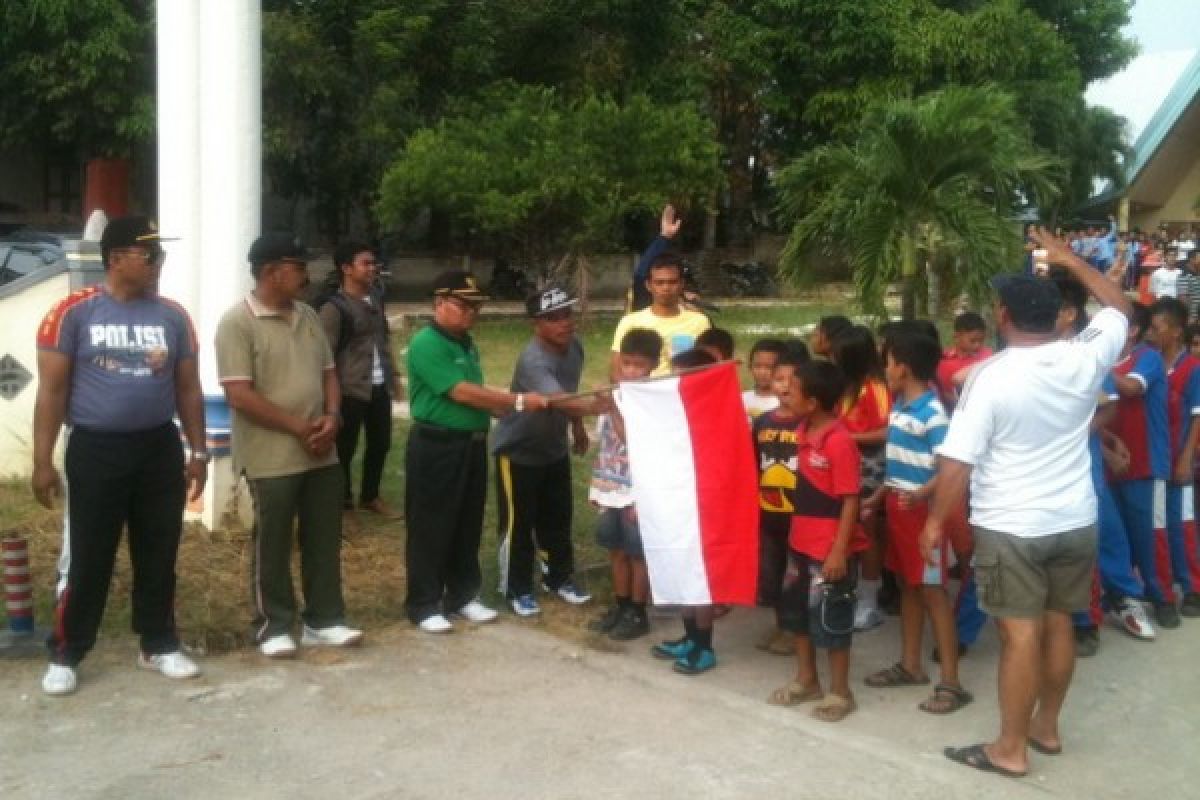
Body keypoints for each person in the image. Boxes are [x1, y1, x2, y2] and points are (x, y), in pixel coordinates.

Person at [923, 227, 1131, 778]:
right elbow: (1119, 307)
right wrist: (1072, 261)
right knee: (1059, 621)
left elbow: (958, 462)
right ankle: (1047, 728)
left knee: (1019, 633)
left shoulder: (989, 378)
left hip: (1012, 524)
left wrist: (936, 521)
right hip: (1074, 519)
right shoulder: (1086, 358)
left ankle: (1008, 749)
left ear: (1003, 316)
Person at [32, 216, 207, 696]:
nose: (157, 263)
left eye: (159, 255)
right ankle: (67, 650)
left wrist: (198, 452)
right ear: (115, 259)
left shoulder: (172, 316)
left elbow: (188, 389)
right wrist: (42, 461)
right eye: (149, 255)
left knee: (158, 549)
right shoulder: (73, 313)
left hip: (157, 448)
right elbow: (51, 391)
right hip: (95, 449)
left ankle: (159, 642)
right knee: (89, 554)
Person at [215, 233, 363, 657]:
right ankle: (274, 624)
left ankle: (325, 619)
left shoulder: (309, 316)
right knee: (273, 542)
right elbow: (239, 395)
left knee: (323, 536)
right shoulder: (237, 323)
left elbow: (329, 373)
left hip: (321, 450)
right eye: (297, 267)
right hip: (271, 455)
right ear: (269, 272)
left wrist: (332, 417)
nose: (306, 275)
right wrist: (299, 428)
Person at [403, 271, 549, 633]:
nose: (471, 313)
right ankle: (424, 603)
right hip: (437, 444)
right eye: (463, 305)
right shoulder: (426, 343)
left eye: (476, 307)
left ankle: (463, 595)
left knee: (467, 523)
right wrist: (514, 401)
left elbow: (476, 394)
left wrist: (496, 406)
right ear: (439, 303)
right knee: (431, 525)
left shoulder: (466, 343)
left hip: (469, 444)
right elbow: (461, 392)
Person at [864, 330, 971, 713]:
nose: (885, 369)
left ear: (903, 368)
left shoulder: (933, 414)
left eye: (888, 362)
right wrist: (879, 496)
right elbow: (899, 464)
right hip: (898, 508)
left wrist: (920, 496)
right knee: (909, 586)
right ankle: (911, 666)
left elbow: (949, 470)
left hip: (922, 515)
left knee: (933, 593)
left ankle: (952, 682)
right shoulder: (898, 407)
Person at [766, 360, 865, 722]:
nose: (785, 392)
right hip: (800, 542)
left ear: (814, 402)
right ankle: (807, 679)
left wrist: (839, 549)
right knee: (797, 616)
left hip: (830, 550)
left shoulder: (838, 442)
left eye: (794, 388)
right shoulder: (803, 430)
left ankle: (840, 691)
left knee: (832, 618)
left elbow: (850, 498)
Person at [492, 286, 600, 616]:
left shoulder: (575, 348)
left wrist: (578, 428)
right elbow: (563, 401)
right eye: (553, 318)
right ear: (536, 324)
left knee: (557, 518)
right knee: (519, 524)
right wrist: (604, 408)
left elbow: (568, 393)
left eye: (567, 314)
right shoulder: (533, 361)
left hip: (553, 448)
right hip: (519, 451)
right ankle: (516, 588)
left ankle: (559, 578)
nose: (564, 323)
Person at [651, 347, 724, 675]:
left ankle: (705, 646)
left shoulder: (716, 414)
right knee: (681, 569)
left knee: (700, 579)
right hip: (678, 501)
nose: (675, 383)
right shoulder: (675, 413)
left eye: (681, 377)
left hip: (705, 505)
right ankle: (690, 637)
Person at [587, 328, 663, 641]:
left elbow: (631, 439)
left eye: (638, 366)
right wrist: (597, 487)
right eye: (626, 363)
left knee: (637, 553)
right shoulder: (615, 395)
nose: (630, 371)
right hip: (610, 486)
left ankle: (637, 610)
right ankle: (620, 605)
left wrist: (612, 406)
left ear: (654, 365)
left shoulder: (651, 400)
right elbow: (604, 443)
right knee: (615, 549)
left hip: (636, 491)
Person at [1106, 303, 1179, 629]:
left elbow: (1132, 388)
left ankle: (1162, 596)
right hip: (1112, 463)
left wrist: (1093, 365)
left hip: (1146, 463)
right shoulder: (1109, 362)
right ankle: (1126, 596)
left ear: (1132, 330)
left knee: (1151, 535)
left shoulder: (1146, 357)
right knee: (1118, 536)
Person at [318, 241, 402, 520]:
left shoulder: (377, 298)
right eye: (365, 263)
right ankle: (343, 504)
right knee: (345, 447)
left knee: (381, 443)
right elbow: (324, 354)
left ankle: (371, 496)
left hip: (379, 385)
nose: (372, 268)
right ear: (346, 268)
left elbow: (383, 338)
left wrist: (395, 377)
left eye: (373, 262)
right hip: (349, 388)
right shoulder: (334, 308)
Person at [830, 325, 890, 630]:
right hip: (845, 461)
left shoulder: (874, 387)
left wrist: (848, 438)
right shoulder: (846, 385)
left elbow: (886, 430)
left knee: (866, 531)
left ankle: (869, 600)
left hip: (869, 465)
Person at [1146, 298, 1200, 617]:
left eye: (1158, 328)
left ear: (1177, 331)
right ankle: (1162, 588)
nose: (1152, 334)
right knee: (1158, 527)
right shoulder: (1150, 363)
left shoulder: (1192, 369)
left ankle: (1192, 585)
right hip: (1154, 461)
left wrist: (1185, 458)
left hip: (1179, 459)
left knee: (1183, 524)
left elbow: (1197, 416)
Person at [752, 349, 807, 656]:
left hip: (800, 515)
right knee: (771, 574)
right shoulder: (761, 422)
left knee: (797, 575)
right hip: (769, 512)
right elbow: (752, 463)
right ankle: (781, 625)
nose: (784, 386)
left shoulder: (809, 422)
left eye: (792, 380)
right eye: (778, 379)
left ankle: (795, 629)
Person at [611, 251, 711, 377]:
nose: (666, 288)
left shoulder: (700, 322)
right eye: (659, 282)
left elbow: (710, 368)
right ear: (648, 285)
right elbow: (616, 372)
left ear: (682, 284)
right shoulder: (630, 322)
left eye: (672, 282)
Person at [936, 312, 993, 411]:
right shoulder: (944, 360)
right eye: (973, 341)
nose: (977, 345)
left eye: (981, 340)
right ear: (957, 336)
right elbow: (942, 392)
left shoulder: (988, 356)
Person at [743, 338, 787, 420]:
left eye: (769, 367)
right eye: (757, 366)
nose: (762, 372)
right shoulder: (741, 400)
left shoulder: (785, 403)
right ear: (750, 367)